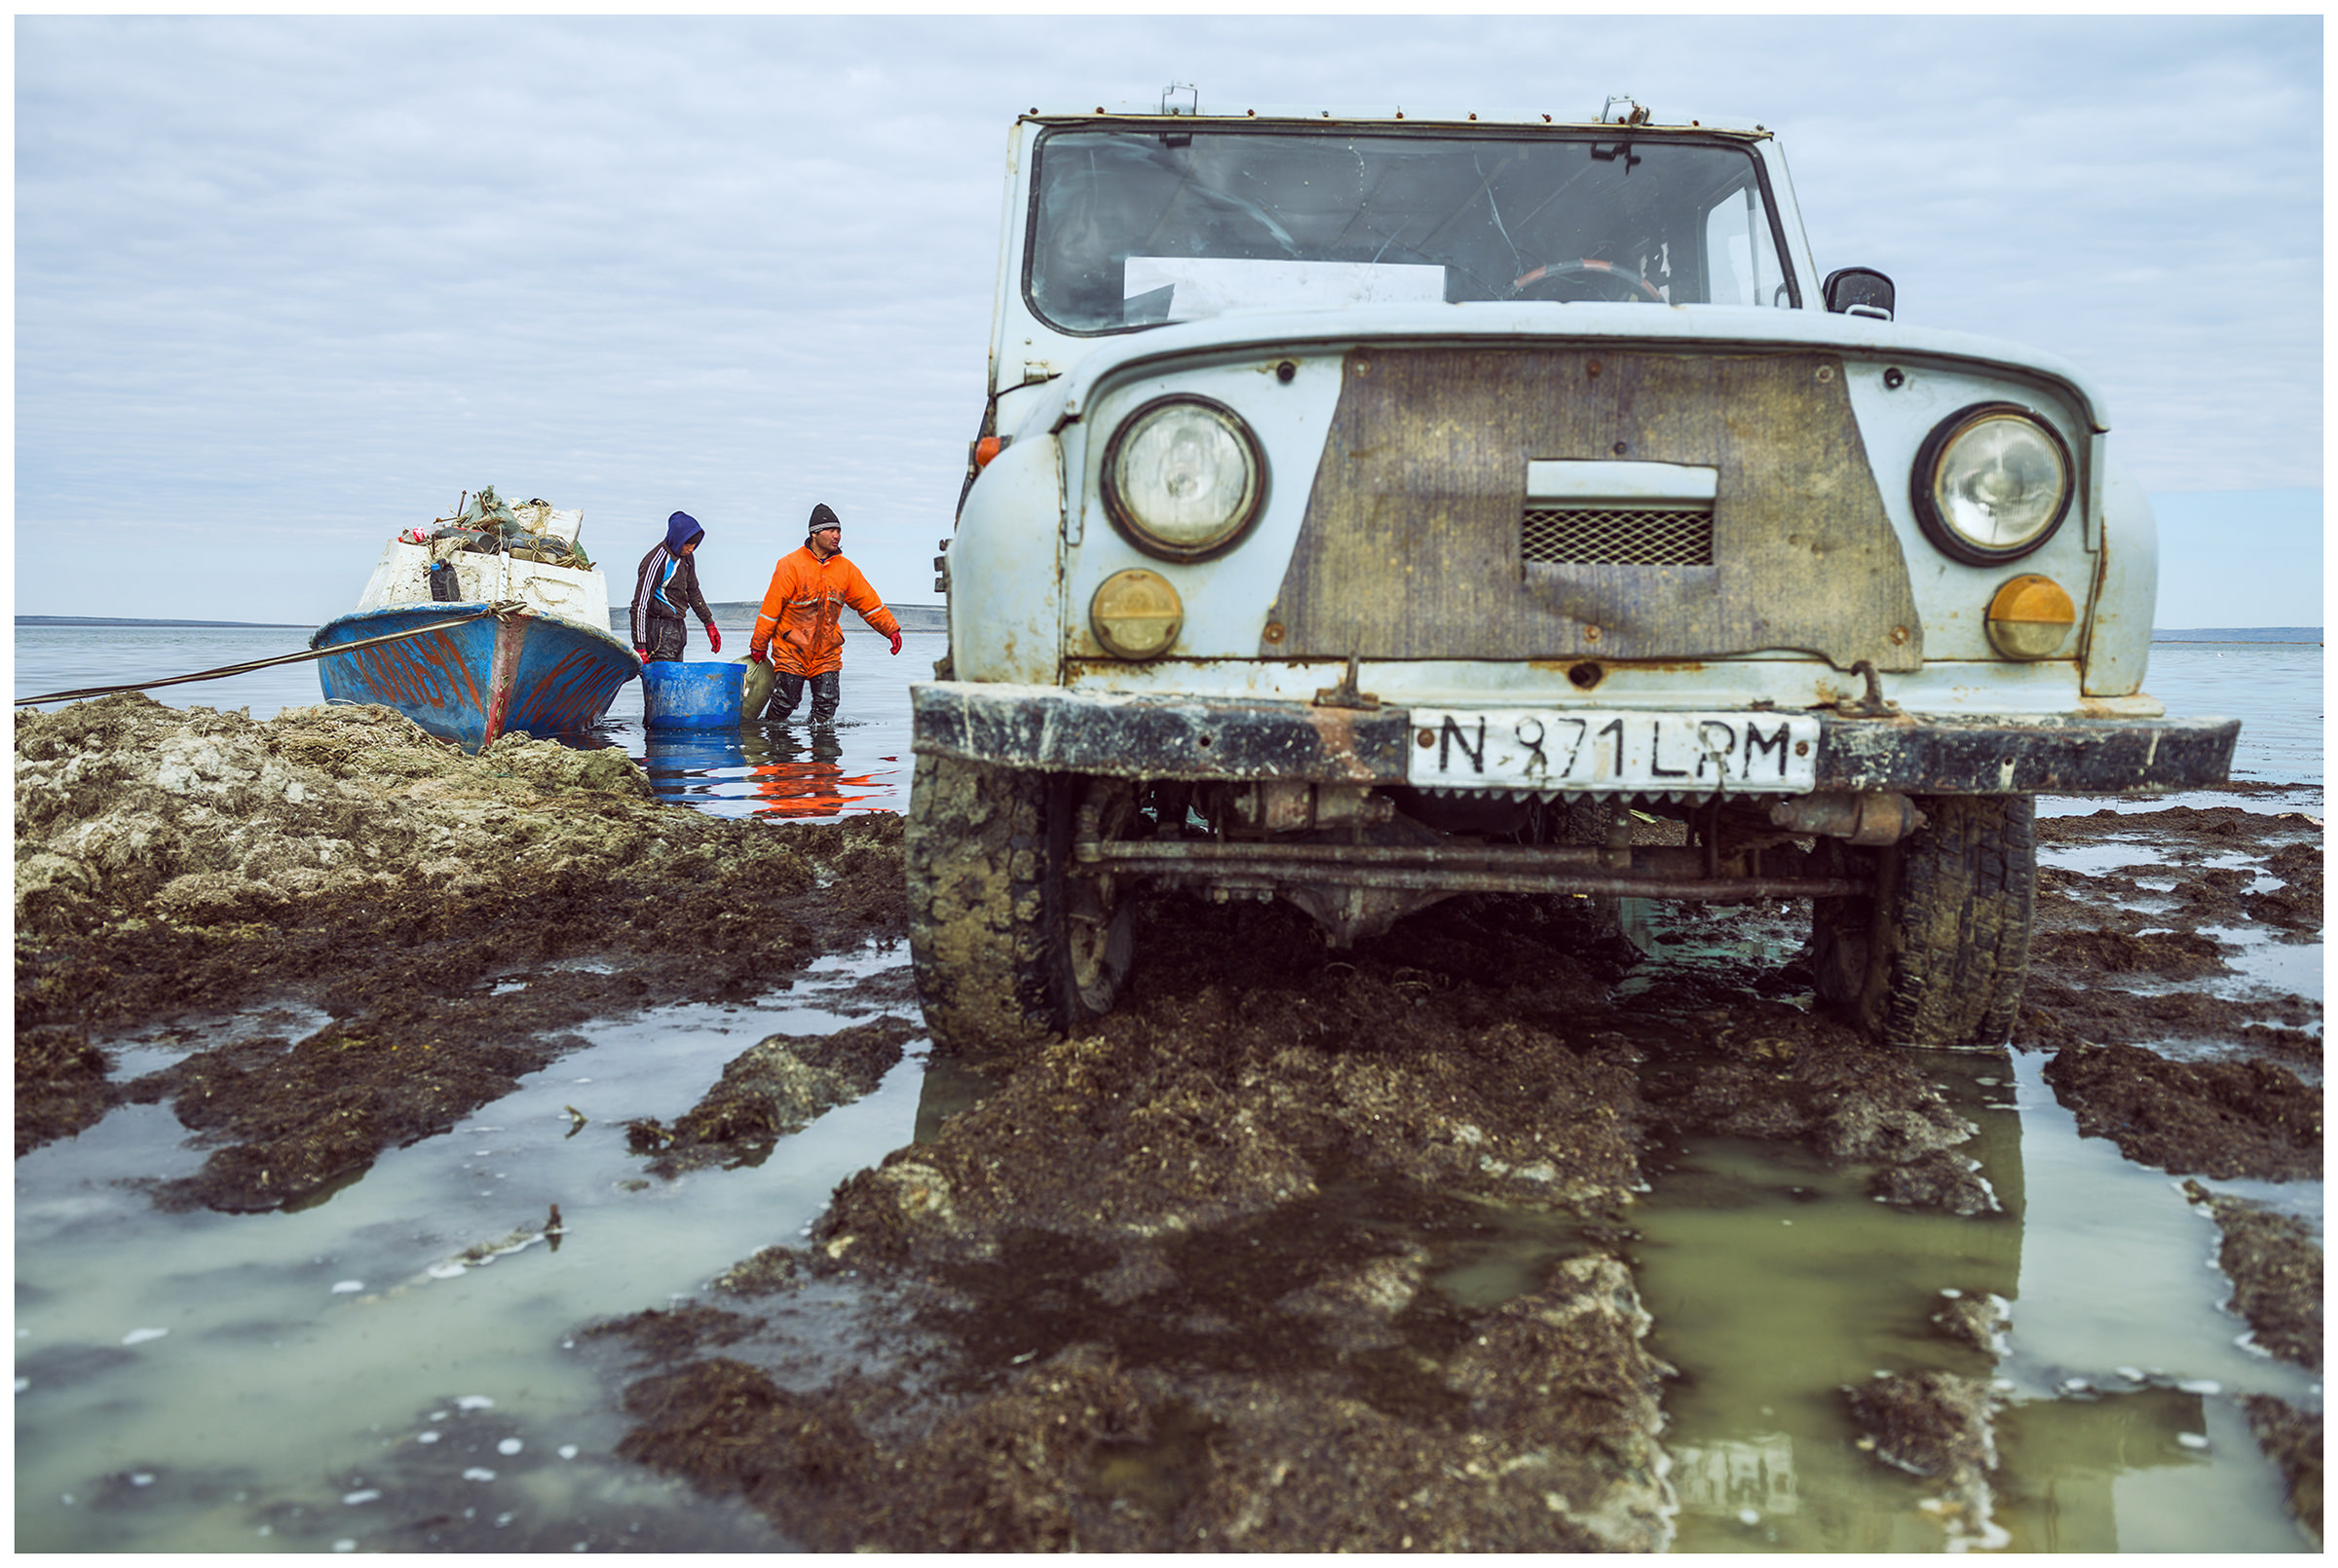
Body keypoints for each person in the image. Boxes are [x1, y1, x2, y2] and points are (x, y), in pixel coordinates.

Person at [748, 503, 900, 722]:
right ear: (814, 532)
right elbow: (770, 611)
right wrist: (759, 644)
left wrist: (891, 630)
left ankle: (821, 754)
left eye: (839, 530)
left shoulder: (846, 569)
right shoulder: (789, 565)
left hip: (827, 652)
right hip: (792, 649)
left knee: (827, 706)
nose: (837, 535)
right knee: (786, 702)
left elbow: (870, 604)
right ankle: (774, 743)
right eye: (831, 530)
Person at [630, 510, 721, 663]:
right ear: (678, 539)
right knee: (662, 684)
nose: (691, 549)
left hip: (678, 629)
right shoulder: (656, 562)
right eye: (688, 544)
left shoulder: (687, 558)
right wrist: (640, 646)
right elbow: (640, 605)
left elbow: (693, 591)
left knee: (675, 683)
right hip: (658, 630)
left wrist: (709, 623)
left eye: (695, 545)